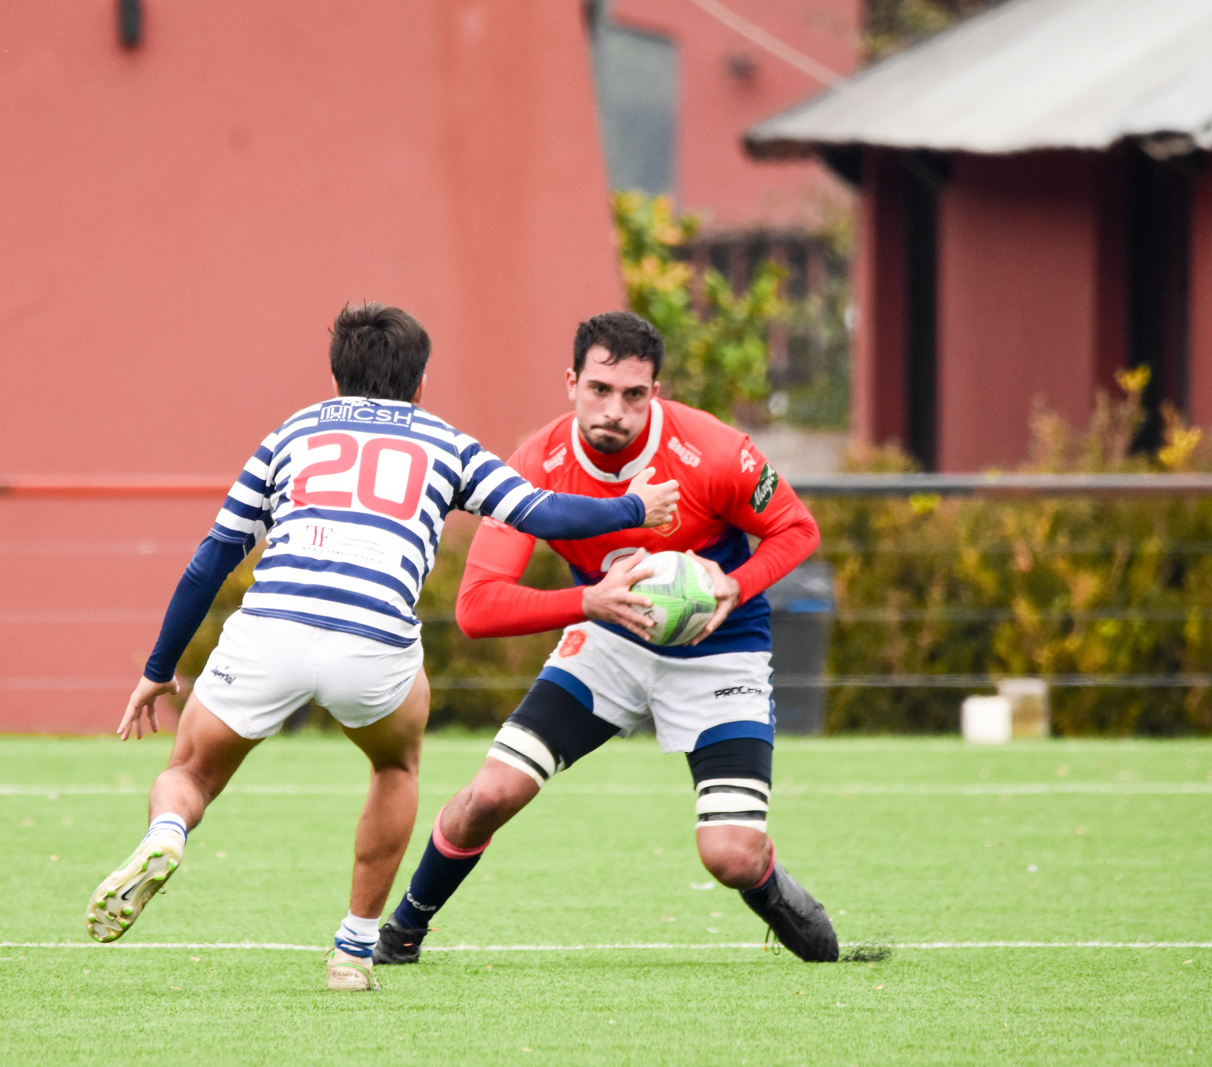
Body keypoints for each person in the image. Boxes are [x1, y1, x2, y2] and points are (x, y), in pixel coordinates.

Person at [86, 303, 680, 991]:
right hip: (373, 641)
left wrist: (159, 670)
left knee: (189, 772)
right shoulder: (446, 442)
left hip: (272, 626)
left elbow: (212, 558)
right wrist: (634, 507)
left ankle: (167, 834)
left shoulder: (292, 431)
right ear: (421, 380)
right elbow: (538, 510)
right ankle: (354, 949)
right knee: (395, 765)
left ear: (335, 376)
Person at [374, 311, 840, 966]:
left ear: (657, 390)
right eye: (599, 389)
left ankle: (770, 882)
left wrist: (735, 583)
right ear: (571, 382)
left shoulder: (710, 448)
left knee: (729, 855)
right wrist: (589, 601)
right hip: (609, 640)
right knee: (489, 794)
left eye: (633, 393)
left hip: (721, 648)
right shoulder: (537, 463)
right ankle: (402, 932)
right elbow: (477, 607)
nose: (614, 409)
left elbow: (797, 528)